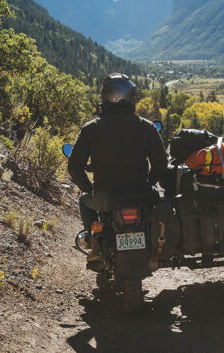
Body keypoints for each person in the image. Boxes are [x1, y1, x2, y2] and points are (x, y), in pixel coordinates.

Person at [67, 73, 167, 261]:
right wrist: (149, 184)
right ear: (131, 97)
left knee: (83, 200)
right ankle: (157, 244)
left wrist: (89, 189)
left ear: (105, 96)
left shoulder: (90, 129)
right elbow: (161, 163)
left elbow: (74, 167)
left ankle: (95, 242)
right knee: (159, 204)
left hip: (105, 198)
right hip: (140, 195)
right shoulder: (146, 127)